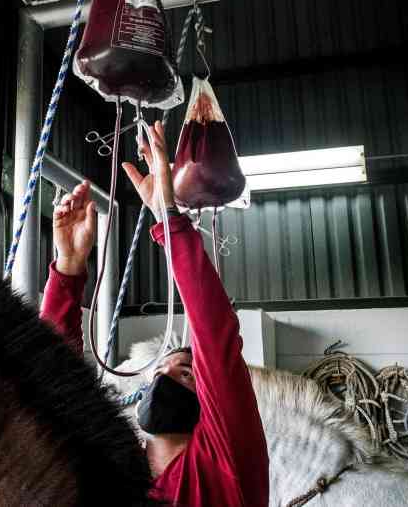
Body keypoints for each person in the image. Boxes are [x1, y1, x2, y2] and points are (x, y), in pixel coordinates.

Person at [39, 120, 270, 506]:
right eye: (160, 371)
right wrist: (69, 265)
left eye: (184, 373)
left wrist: (168, 215)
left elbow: (214, 334)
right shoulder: (114, 473)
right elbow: (51, 382)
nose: (164, 376)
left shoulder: (226, 464)